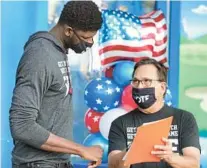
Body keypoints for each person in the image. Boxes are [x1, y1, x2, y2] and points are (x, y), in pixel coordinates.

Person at [9, 1, 103, 168]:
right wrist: (81, 150)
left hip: (56, 162)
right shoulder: (40, 55)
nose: (90, 43)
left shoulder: (57, 51)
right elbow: (21, 124)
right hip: (37, 164)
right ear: (68, 31)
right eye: (86, 37)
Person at [108, 58, 201, 168]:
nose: (140, 86)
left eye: (147, 81)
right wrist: (130, 152)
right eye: (136, 81)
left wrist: (170, 157)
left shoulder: (184, 119)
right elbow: (113, 164)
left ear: (162, 87)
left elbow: (194, 164)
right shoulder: (120, 123)